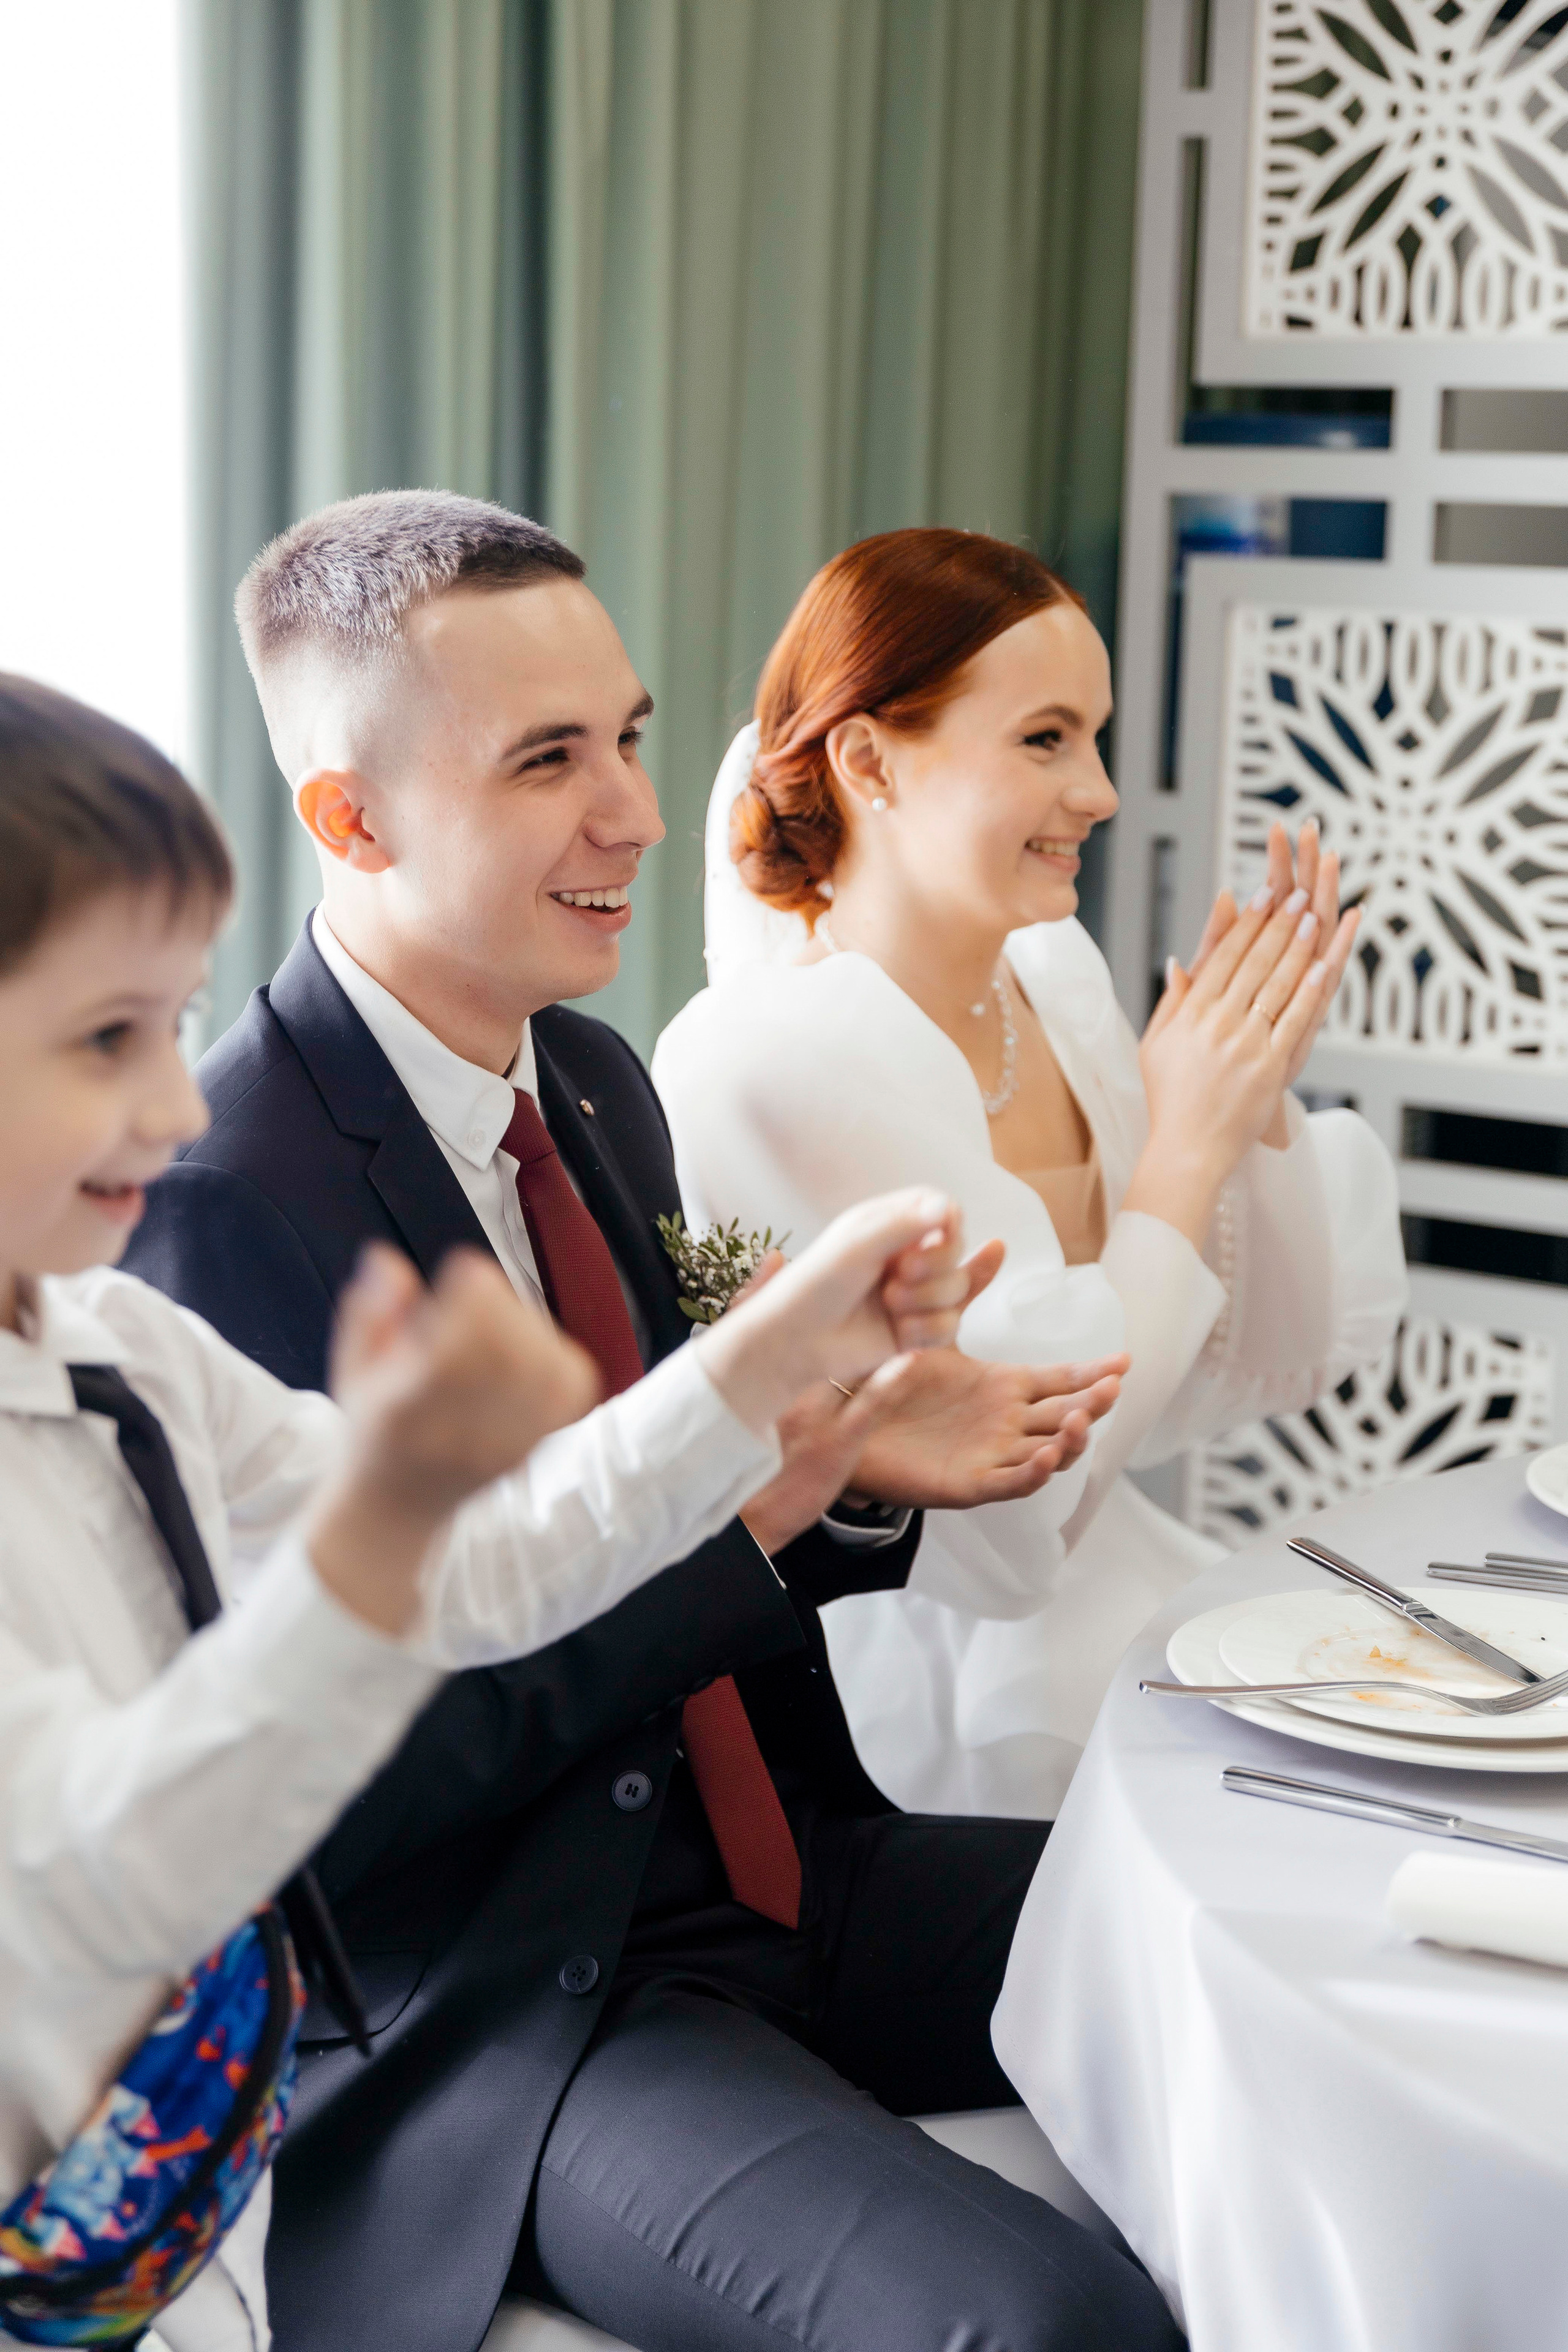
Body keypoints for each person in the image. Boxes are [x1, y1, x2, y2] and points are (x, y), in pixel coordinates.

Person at [124, 491, 1178, 2352]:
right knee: (1045, 2323)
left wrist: (849, 1473)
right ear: (349, 819)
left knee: (1246, 1945)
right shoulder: (228, 1196)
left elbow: (716, 1502)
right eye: (546, 759)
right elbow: (324, 1801)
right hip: (520, 1994)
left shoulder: (600, 1086)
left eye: (626, 739)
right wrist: (761, 1513)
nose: (627, 811)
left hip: (788, 1873)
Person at [0, 673, 1008, 2352]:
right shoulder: (200, 1233)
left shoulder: (109, 1341)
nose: (174, 1109)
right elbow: (111, 1863)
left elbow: (502, 1561)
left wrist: (769, 1357)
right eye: (107, 1037)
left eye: (174, 1026)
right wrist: (379, 1534)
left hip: (178, 2208)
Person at [654, 527, 1409, 1819]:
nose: (1101, 791)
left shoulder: (1044, 986)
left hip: (1118, 1597)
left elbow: (1195, 1382)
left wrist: (1241, 1097)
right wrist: (1182, 1147)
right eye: (1046, 739)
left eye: (1094, 737)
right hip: (913, 1702)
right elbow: (1020, 1508)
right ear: (868, 758)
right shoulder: (780, 1052)